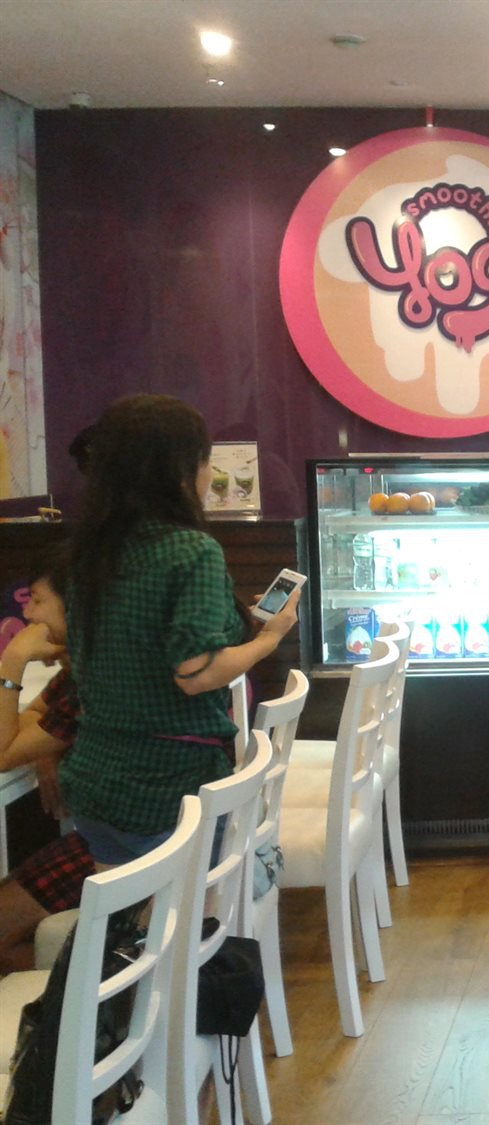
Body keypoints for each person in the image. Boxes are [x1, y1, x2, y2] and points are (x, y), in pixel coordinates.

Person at [62, 394, 300, 867]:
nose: (209, 473)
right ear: (180, 469)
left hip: (94, 779)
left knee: (130, 909)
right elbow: (196, 672)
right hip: (171, 789)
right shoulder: (190, 550)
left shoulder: (89, 551)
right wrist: (269, 639)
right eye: (206, 460)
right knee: (209, 906)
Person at [0, 557, 88, 972]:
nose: (26, 612)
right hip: (130, 835)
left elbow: (3, 755)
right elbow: (32, 719)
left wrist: (13, 660)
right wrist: (46, 748)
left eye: (37, 601)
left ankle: (105, 994)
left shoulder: (90, 678)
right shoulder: (82, 668)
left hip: (120, 847)